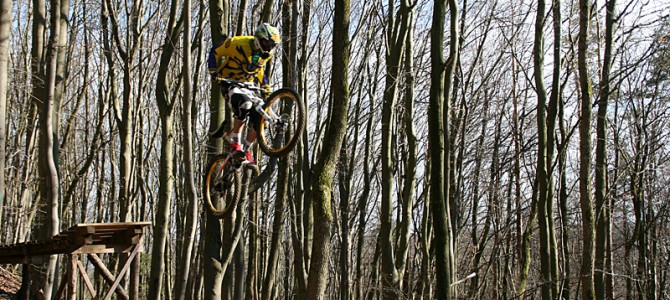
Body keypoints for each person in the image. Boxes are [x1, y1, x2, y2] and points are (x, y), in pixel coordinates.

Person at [208, 23, 281, 167]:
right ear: (258, 38)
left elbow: (259, 70)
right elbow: (215, 52)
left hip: (249, 86)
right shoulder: (236, 43)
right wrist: (213, 70)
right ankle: (234, 143)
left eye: (272, 45)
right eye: (266, 43)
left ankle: (245, 150)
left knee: (262, 117)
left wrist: (265, 85)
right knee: (244, 104)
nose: (268, 48)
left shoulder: (266, 55)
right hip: (230, 82)